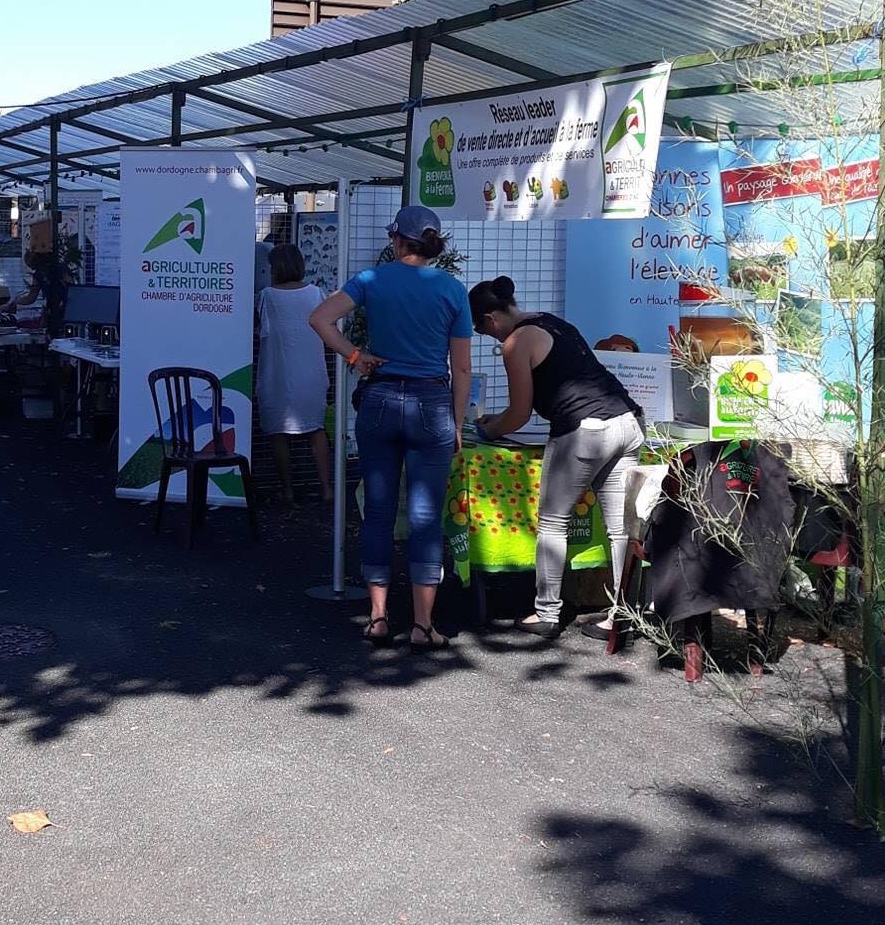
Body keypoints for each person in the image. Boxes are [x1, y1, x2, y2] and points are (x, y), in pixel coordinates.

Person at [310, 205, 471, 651]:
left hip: (379, 400)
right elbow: (461, 368)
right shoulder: (453, 290)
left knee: (379, 512)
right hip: (432, 404)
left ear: (396, 240)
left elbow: (320, 319)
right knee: (425, 518)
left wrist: (354, 355)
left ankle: (378, 618)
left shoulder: (371, 280)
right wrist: (457, 422)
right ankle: (423, 625)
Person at [468, 276, 644, 641]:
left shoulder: (516, 342)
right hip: (627, 420)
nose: (490, 338)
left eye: (483, 331)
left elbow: (519, 414)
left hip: (584, 431)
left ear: (490, 319)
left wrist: (487, 429)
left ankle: (546, 613)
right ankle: (621, 615)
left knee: (552, 521)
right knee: (619, 529)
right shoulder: (554, 322)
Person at [258, 243, 331, 505]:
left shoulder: (268, 295)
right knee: (316, 429)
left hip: (277, 373)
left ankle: (287, 489)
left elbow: (262, 328)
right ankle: (326, 488)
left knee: (279, 432)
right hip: (312, 372)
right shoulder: (316, 294)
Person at [14, 249, 72, 334]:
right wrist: (16, 301)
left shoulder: (59, 268)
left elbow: (70, 287)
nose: (30, 266)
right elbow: (31, 297)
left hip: (66, 307)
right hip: (50, 308)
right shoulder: (37, 275)